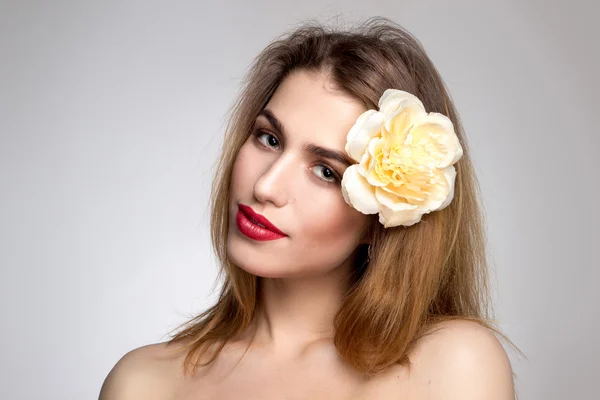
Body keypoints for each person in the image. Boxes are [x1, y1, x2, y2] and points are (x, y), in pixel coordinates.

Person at [99, 16, 518, 399]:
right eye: (269, 139)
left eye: (325, 171)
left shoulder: (453, 365)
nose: (266, 186)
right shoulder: (142, 383)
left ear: (389, 213)